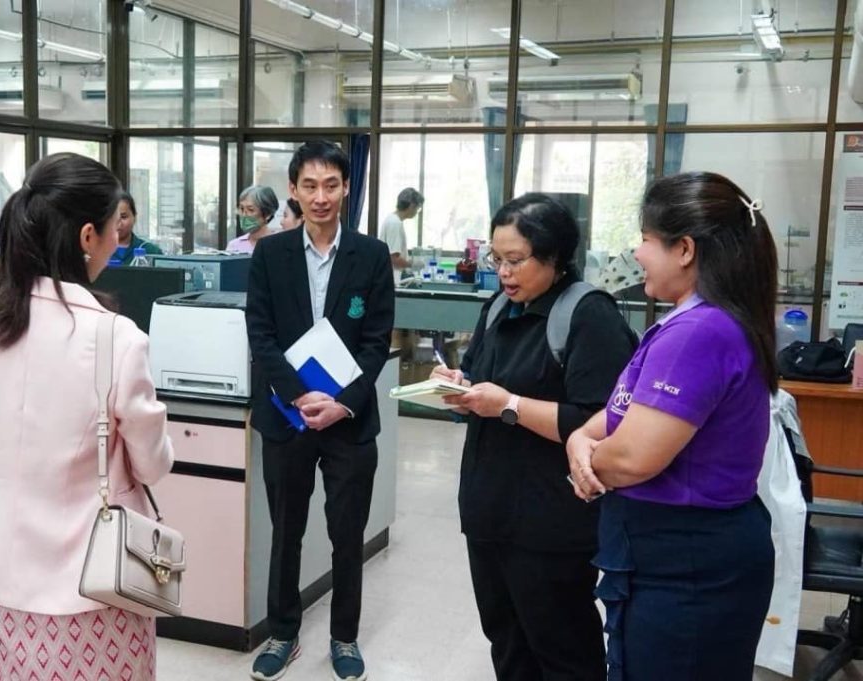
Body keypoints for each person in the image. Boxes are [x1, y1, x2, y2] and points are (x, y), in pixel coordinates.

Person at [0, 153, 175, 681]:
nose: (119, 240)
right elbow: (151, 464)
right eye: (115, 227)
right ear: (87, 236)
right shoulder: (116, 336)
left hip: (1, 572)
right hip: (93, 580)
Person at [567, 172, 778, 681]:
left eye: (644, 239)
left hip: (687, 559)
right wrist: (580, 437)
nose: (636, 253)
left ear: (684, 249)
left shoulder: (699, 332)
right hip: (681, 550)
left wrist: (586, 459)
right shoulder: (698, 320)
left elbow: (631, 459)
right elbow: (621, 412)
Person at [435, 193, 638, 681]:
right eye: (496, 259)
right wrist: (462, 390)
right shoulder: (497, 308)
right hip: (489, 506)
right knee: (506, 640)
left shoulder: (589, 316)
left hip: (550, 519)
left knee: (562, 647)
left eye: (516, 260)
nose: (503, 273)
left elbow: (602, 421)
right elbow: (481, 379)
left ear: (554, 257)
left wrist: (508, 405)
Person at [245, 141, 394, 681]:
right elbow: (260, 334)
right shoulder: (270, 254)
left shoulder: (371, 255)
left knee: (347, 534)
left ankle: (344, 638)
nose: (320, 196)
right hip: (287, 418)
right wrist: (297, 395)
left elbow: (376, 341)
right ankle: (282, 633)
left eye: (331, 184)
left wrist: (342, 403)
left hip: (348, 422)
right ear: (293, 190)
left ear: (346, 188)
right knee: (286, 531)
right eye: (309, 185)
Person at [379, 187, 423, 283]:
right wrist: (412, 265)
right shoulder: (394, 223)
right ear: (412, 206)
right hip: (391, 278)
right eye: (418, 208)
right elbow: (393, 258)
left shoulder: (393, 220)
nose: (417, 212)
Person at [227, 185, 280, 253]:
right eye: (242, 209)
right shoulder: (234, 246)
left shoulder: (280, 243)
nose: (244, 215)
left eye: (250, 210)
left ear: (267, 214)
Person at [115, 191, 162, 265]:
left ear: (134, 217)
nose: (118, 223)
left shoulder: (151, 251)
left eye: (123, 217)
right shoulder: (96, 252)